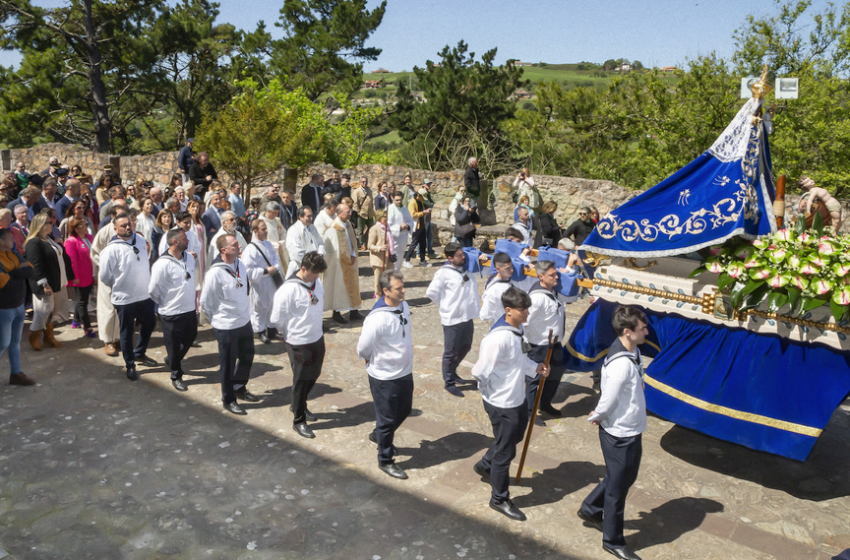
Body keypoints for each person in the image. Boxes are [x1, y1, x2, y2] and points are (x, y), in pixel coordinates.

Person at [472, 286, 548, 521]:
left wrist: (535, 368)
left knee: (513, 438)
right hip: (501, 403)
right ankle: (499, 498)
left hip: (517, 398)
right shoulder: (497, 339)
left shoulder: (518, 330)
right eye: (523, 309)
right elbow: (480, 371)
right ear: (508, 311)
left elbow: (521, 359)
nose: (527, 313)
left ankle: (486, 464)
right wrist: (491, 395)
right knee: (506, 452)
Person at [579, 306, 649, 560]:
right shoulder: (621, 365)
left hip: (631, 426)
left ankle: (590, 508)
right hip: (620, 432)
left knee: (622, 477)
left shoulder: (633, 351)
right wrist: (597, 416)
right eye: (642, 328)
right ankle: (613, 540)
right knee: (618, 490)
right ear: (628, 332)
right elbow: (607, 400)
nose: (646, 331)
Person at [357, 270, 414, 479]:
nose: (403, 291)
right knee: (387, 418)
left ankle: (379, 435)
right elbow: (363, 347)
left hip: (404, 371)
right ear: (386, 291)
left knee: (405, 409)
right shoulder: (377, 318)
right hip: (384, 377)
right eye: (399, 288)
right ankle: (385, 459)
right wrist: (369, 358)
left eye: (403, 286)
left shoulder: (404, 306)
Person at [271, 251, 328, 438]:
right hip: (299, 342)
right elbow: (277, 319)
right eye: (314, 273)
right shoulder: (288, 290)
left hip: (317, 337)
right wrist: (291, 333)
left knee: (314, 374)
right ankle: (298, 419)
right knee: (301, 380)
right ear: (303, 269)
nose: (317, 277)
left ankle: (299, 404)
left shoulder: (315, 282)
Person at [201, 234, 259, 415]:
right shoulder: (215, 273)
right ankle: (228, 398)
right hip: (226, 326)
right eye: (234, 245)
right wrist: (217, 321)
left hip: (243, 321)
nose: (239, 246)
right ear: (223, 250)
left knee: (247, 355)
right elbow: (206, 302)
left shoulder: (240, 264)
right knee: (227, 363)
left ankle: (239, 386)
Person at [98, 213, 158, 380]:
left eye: (129, 224)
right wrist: (121, 284)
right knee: (127, 330)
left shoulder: (139, 239)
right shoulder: (110, 250)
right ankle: (130, 364)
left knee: (150, 322)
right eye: (123, 225)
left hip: (144, 294)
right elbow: (105, 276)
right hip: (124, 298)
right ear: (115, 229)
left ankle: (139, 353)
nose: (127, 227)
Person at [426, 242, 481, 397]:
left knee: (466, 346)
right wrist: (445, 305)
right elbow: (431, 292)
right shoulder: (443, 273)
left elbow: (484, 266)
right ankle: (449, 381)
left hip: (467, 316)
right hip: (452, 318)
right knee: (450, 352)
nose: (463, 257)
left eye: (462, 254)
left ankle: (453, 371)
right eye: (459, 256)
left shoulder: (468, 268)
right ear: (450, 258)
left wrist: (481, 258)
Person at [524, 260, 574, 427]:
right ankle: (529, 413)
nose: (556, 277)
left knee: (556, 373)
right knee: (534, 379)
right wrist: (524, 347)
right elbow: (523, 322)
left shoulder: (554, 291)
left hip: (555, 343)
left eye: (556, 273)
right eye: (552, 275)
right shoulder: (536, 298)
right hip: (539, 345)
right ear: (541, 276)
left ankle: (545, 403)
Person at [149, 228, 198, 392]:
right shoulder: (161, 264)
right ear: (175, 242)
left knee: (190, 337)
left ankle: (172, 359)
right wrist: (164, 304)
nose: (188, 241)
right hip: (171, 311)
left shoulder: (190, 258)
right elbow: (153, 289)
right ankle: (176, 375)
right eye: (184, 239)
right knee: (174, 344)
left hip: (189, 308)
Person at [24, 213, 73, 350]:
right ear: (41, 225)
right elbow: (36, 266)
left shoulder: (48, 239)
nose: (51, 224)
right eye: (48, 222)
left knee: (52, 310)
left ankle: (49, 337)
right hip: (44, 284)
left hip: (56, 281)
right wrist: (44, 283)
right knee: (43, 310)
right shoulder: (34, 242)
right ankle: (34, 335)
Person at [0, 228, 35, 385]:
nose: (13, 241)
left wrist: (12, 273)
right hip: (4, 307)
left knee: (15, 342)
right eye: (10, 238)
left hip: (19, 304)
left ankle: (16, 372)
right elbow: (4, 283)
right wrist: (18, 272)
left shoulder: (14, 254)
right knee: (3, 343)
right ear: (1, 241)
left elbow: (30, 270)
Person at [322, 203, 363, 324]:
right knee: (338, 288)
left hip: (350, 261)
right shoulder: (333, 228)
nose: (350, 214)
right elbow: (331, 250)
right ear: (339, 213)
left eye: (350, 211)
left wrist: (353, 254)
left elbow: (352, 242)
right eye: (347, 212)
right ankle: (336, 312)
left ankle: (354, 311)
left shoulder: (348, 224)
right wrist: (343, 259)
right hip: (339, 265)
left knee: (353, 286)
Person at [242, 219, 281, 344]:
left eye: (266, 228)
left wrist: (275, 267)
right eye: (263, 229)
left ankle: (271, 329)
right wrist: (265, 271)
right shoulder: (250, 249)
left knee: (272, 305)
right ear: (255, 231)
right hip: (260, 282)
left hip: (271, 281)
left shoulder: (268, 244)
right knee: (259, 307)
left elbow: (275, 258)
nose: (266, 231)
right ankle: (260, 331)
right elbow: (247, 269)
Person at [90, 208, 122, 356]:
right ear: (112, 216)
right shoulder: (104, 231)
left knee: (120, 308)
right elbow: (95, 252)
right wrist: (106, 266)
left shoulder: (128, 231)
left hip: (123, 276)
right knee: (108, 309)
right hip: (107, 276)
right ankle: (108, 340)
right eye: (120, 214)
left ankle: (118, 337)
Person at [63, 217, 96, 338]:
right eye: (83, 225)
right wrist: (74, 277)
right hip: (80, 276)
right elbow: (72, 261)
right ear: (76, 229)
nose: (86, 226)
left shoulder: (90, 238)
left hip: (90, 273)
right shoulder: (71, 241)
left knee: (84, 299)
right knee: (82, 301)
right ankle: (87, 327)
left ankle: (76, 320)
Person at [479, 252, 519, 328]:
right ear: (498, 269)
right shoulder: (493, 290)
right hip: (501, 327)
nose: (511, 270)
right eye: (507, 268)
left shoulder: (508, 280)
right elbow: (484, 315)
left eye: (511, 267)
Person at [285, 207, 325, 276]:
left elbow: (320, 243)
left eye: (311, 216)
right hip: (300, 266)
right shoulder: (293, 230)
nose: (311, 218)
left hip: (314, 266)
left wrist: (320, 254)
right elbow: (297, 251)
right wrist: (313, 260)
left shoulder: (312, 228)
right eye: (308, 216)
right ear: (301, 217)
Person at [367, 210, 395, 298]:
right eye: (384, 217)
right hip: (379, 260)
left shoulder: (387, 228)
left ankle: (388, 299)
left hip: (389, 259)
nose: (386, 219)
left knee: (389, 281)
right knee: (379, 283)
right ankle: (379, 299)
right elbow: (370, 245)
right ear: (379, 218)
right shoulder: (375, 229)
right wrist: (379, 248)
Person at [260, 202, 289, 273]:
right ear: (268, 211)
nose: (276, 215)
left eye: (277, 213)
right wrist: (274, 245)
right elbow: (259, 241)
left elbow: (283, 233)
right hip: (267, 254)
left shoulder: (277, 221)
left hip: (279, 252)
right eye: (275, 213)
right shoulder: (260, 223)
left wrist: (281, 242)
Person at [403, 191, 430, 268]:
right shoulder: (412, 202)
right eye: (422, 197)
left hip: (422, 225)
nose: (423, 199)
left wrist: (425, 213)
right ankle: (407, 260)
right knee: (414, 243)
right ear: (418, 195)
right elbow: (412, 214)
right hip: (416, 226)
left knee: (423, 244)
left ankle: (422, 261)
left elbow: (421, 212)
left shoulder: (420, 201)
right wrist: (423, 213)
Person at [387, 192, 413, 271]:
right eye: (397, 200)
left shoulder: (405, 209)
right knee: (393, 260)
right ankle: (391, 279)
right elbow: (387, 226)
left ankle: (396, 276)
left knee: (400, 259)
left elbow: (410, 221)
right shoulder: (390, 209)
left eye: (400, 200)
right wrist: (399, 227)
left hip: (403, 238)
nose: (399, 202)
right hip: (394, 239)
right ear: (393, 199)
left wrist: (408, 225)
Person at [351, 176, 375, 250]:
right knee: (360, 230)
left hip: (369, 214)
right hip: (361, 214)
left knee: (371, 228)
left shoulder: (369, 190)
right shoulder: (357, 192)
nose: (365, 183)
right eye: (363, 182)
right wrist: (359, 212)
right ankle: (362, 244)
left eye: (366, 182)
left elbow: (371, 201)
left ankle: (368, 241)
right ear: (360, 182)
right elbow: (355, 204)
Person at [418, 179, 438, 259]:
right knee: (423, 236)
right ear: (423, 184)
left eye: (429, 183)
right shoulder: (422, 193)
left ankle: (430, 252)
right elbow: (429, 204)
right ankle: (419, 253)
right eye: (427, 184)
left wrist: (431, 204)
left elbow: (432, 202)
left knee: (429, 236)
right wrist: (431, 204)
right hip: (423, 217)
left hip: (428, 218)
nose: (429, 185)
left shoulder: (427, 193)